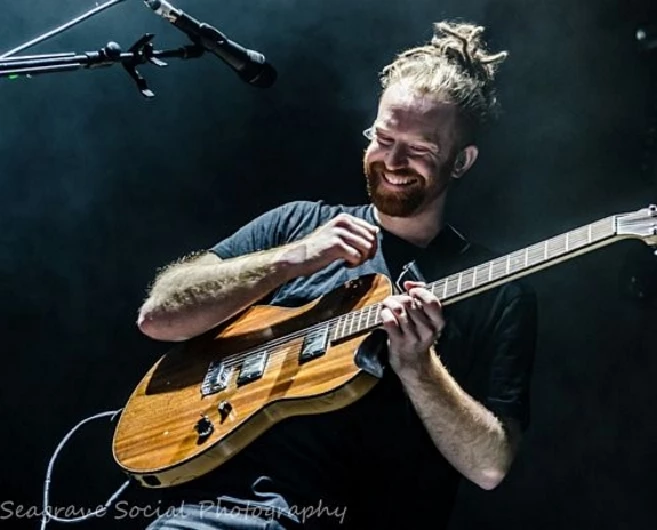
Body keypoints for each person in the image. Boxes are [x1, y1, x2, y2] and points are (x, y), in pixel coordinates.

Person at [136, 20, 537, 530]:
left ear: (462, 162)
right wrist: (291, 258)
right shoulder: (298, 223)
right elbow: (159, 316)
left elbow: (489, 465)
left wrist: (418, 367)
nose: (392, 160)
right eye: (383, 137)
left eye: (419, 149)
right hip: (205, 516)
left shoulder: (499, 291)